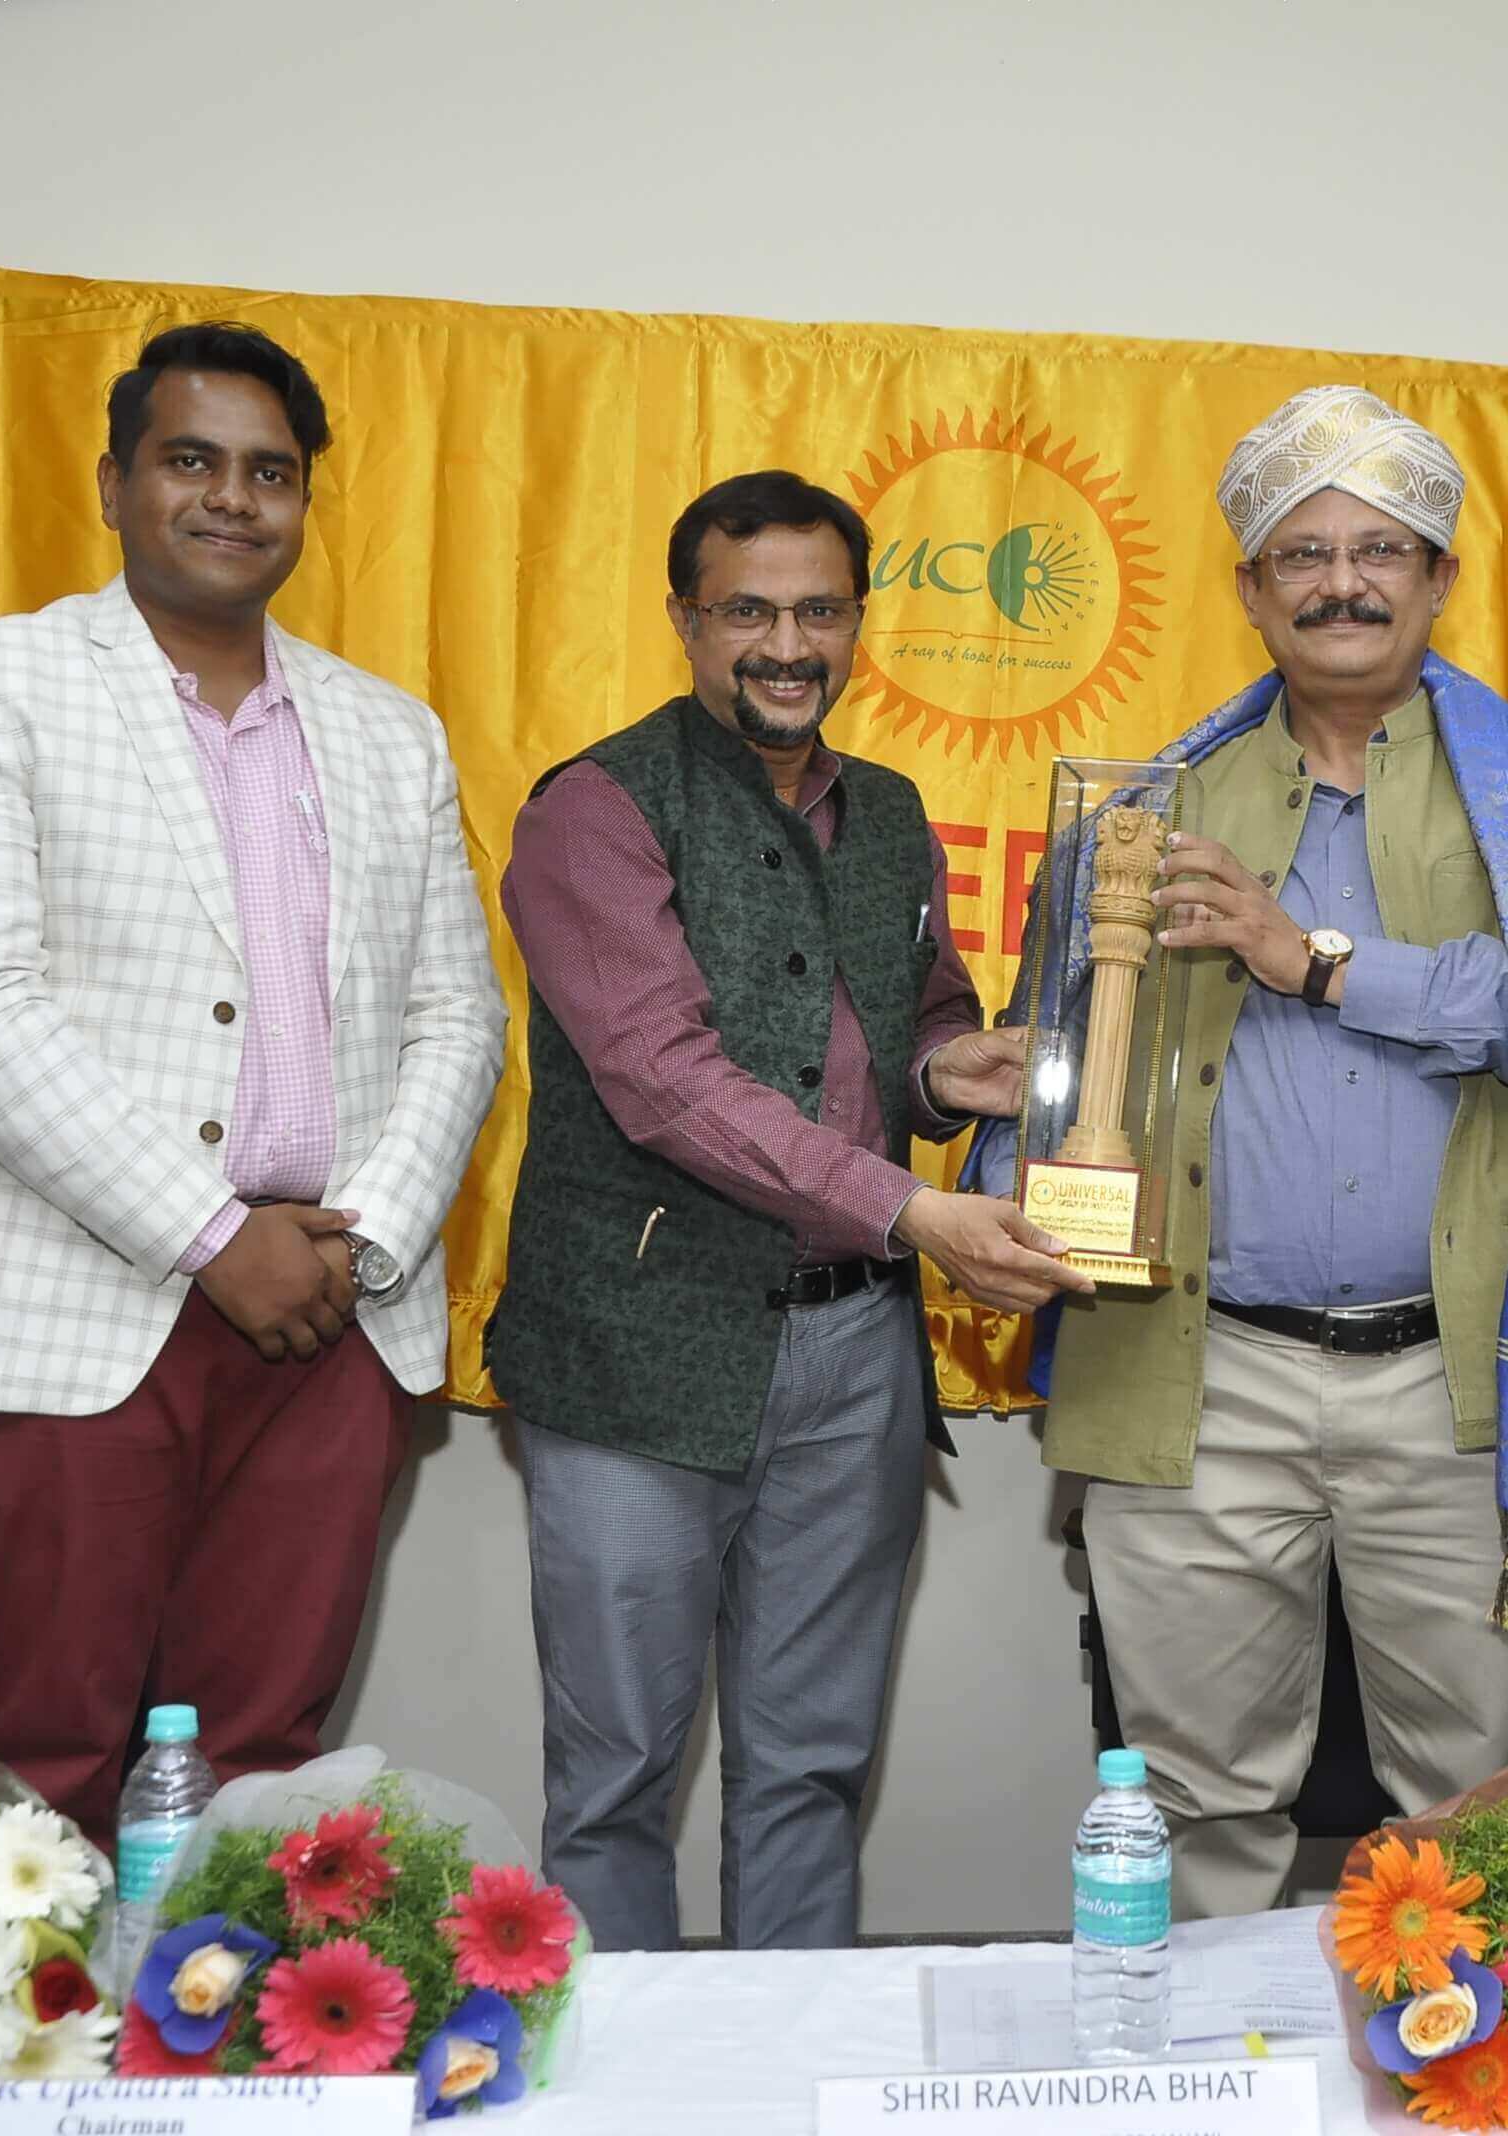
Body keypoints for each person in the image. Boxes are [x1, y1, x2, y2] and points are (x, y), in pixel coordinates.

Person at [976, 386, 1508, 1920]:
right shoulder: (1147, 807)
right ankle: (1209, 2082)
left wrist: (1315, 958)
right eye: (1303, 554)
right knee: (1192, 1802)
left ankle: (1450, 2079)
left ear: (1439, 579)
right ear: (1252, 591)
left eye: (1380, 550)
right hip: (1195, 1377)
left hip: (1458, 1390)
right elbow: (1063, 1063)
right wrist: (1014, 1107)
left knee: (1471, 1811)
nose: (1343, 582)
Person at [0, 322, 506, 1841]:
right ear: (115, 482)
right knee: (39, 1775)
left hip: (328, 1324)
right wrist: (219, 1240)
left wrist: (365, 1238)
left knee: (264, 1784)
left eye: (270, 471)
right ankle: (31, 2078)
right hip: (77, 1313)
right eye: (191, 460)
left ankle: (236, 2074)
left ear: (304, 502)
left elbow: (458, 1014)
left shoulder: (388, 732)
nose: (233, 497)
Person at [487, 470, 1080, 1952]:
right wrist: (915, 1214)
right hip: (638, 1355)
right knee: (618, 1778)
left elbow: (913, 1028)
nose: (785, 643)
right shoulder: (596, 811)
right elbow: (667, 1083)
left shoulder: (886, 811)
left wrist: (973, 1067)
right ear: (686, 619)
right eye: (746, 609)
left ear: (858, 622)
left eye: (818, 610)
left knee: (810, 1771)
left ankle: (792, 2085)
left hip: (849, 1365)